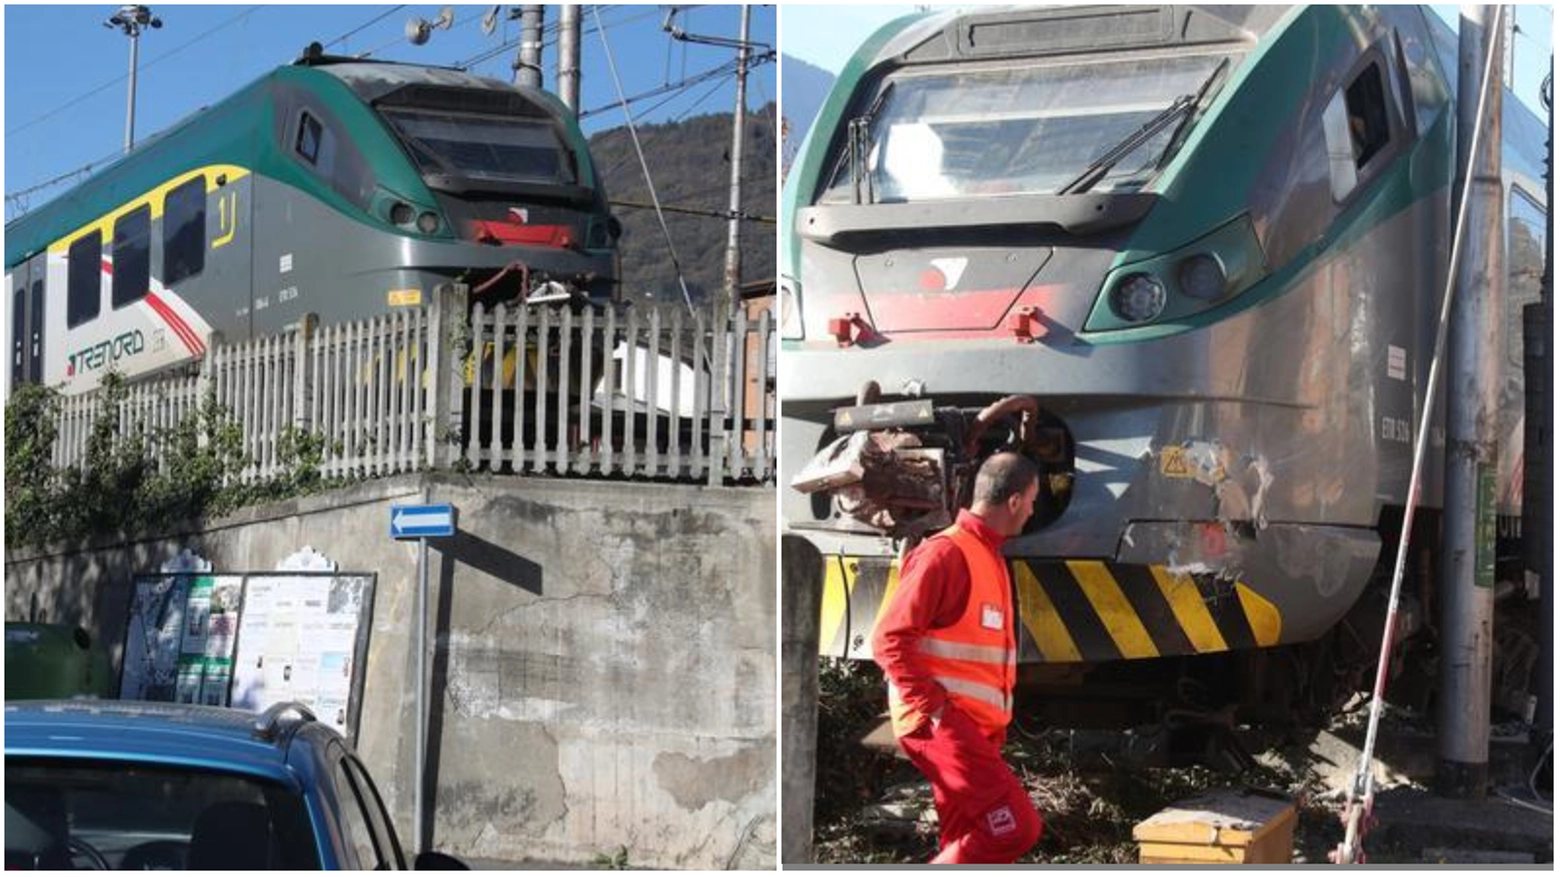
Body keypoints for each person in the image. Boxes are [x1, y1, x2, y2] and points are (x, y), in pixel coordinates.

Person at [872, 452, 1044, 864]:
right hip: (942, 726)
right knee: (1016, 828)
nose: (1035, 510)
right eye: (1034, 500)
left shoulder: (988, 555)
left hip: (967, 729)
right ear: (1016, 501)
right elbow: (889, 640)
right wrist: (937, 709)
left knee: (965, 837)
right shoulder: (947, 553)